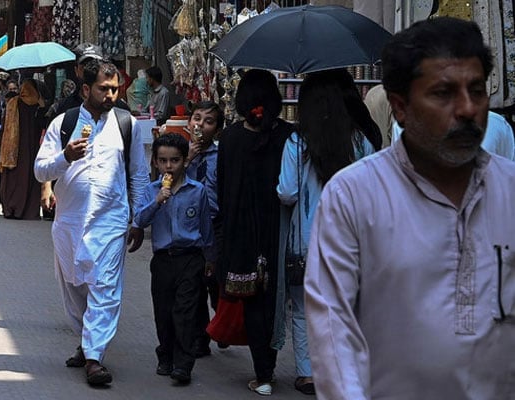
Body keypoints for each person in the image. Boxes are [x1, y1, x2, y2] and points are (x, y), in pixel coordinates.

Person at [305, 17, 515, 400]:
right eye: (444, 93)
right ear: (400, 107)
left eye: (477, 90)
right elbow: (334, 329)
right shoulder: (354, 196)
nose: (468, 109)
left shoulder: (511, 190)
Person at [34, 59, 150, 386]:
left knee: (105, 287)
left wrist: (137, 218)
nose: (111, 94)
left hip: (111, 222)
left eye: (115, 89)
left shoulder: (128, 124)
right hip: (69, 221)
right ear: (86, 89)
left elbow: (138, 175)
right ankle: (87, 342)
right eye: (104, 88)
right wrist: (64, 158)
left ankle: (95, 356)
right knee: (74, 286)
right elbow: (41, 171)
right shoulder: (64, 123)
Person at [277, 69, 375, 397]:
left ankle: (307, 373)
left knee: (304, 309)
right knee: (346, 306)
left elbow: (288, 191)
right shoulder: (360, 140)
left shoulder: (297, 140)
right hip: (351, 240)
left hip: (305, 239)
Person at [216, 69, 294, 396]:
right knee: (274, 301)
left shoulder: (231, 138)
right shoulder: (289, 135)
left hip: (241, 234)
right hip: (279, 231)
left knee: (251, 302)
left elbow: (222, 189)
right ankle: (269, 366)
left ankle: (262, 372)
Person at [133, 133, 213, 384]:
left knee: (185, 312)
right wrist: (157, 201)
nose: (169, 166)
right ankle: (165, 354)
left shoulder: (197, 191)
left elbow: (205, 226)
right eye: (163, 161)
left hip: (190, 257)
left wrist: (210, 258)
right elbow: (140, 220)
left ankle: (184, 363)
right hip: (163, 259)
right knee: (164, 312)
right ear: (155, 163)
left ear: (184, 162)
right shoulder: (151, 190)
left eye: (175, 160)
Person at [184, 101, 224, 357]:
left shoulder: (221, 156)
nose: (200, 124)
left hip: (215, 224)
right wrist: (188, 158)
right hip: (190, 225)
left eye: (208, 121)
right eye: (196, 118)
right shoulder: (180, 153)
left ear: (217, 130)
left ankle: (221, 320)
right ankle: (200, 336)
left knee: (215, 280)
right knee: (194, 282)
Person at [0, 78, 47, 218]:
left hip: (15, 148)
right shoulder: (35, 104)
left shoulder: (14, 103)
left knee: (15, 177)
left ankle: (11, 208)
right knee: (28, 176)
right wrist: (42, 108)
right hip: (31, 147)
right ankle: (26, 209)